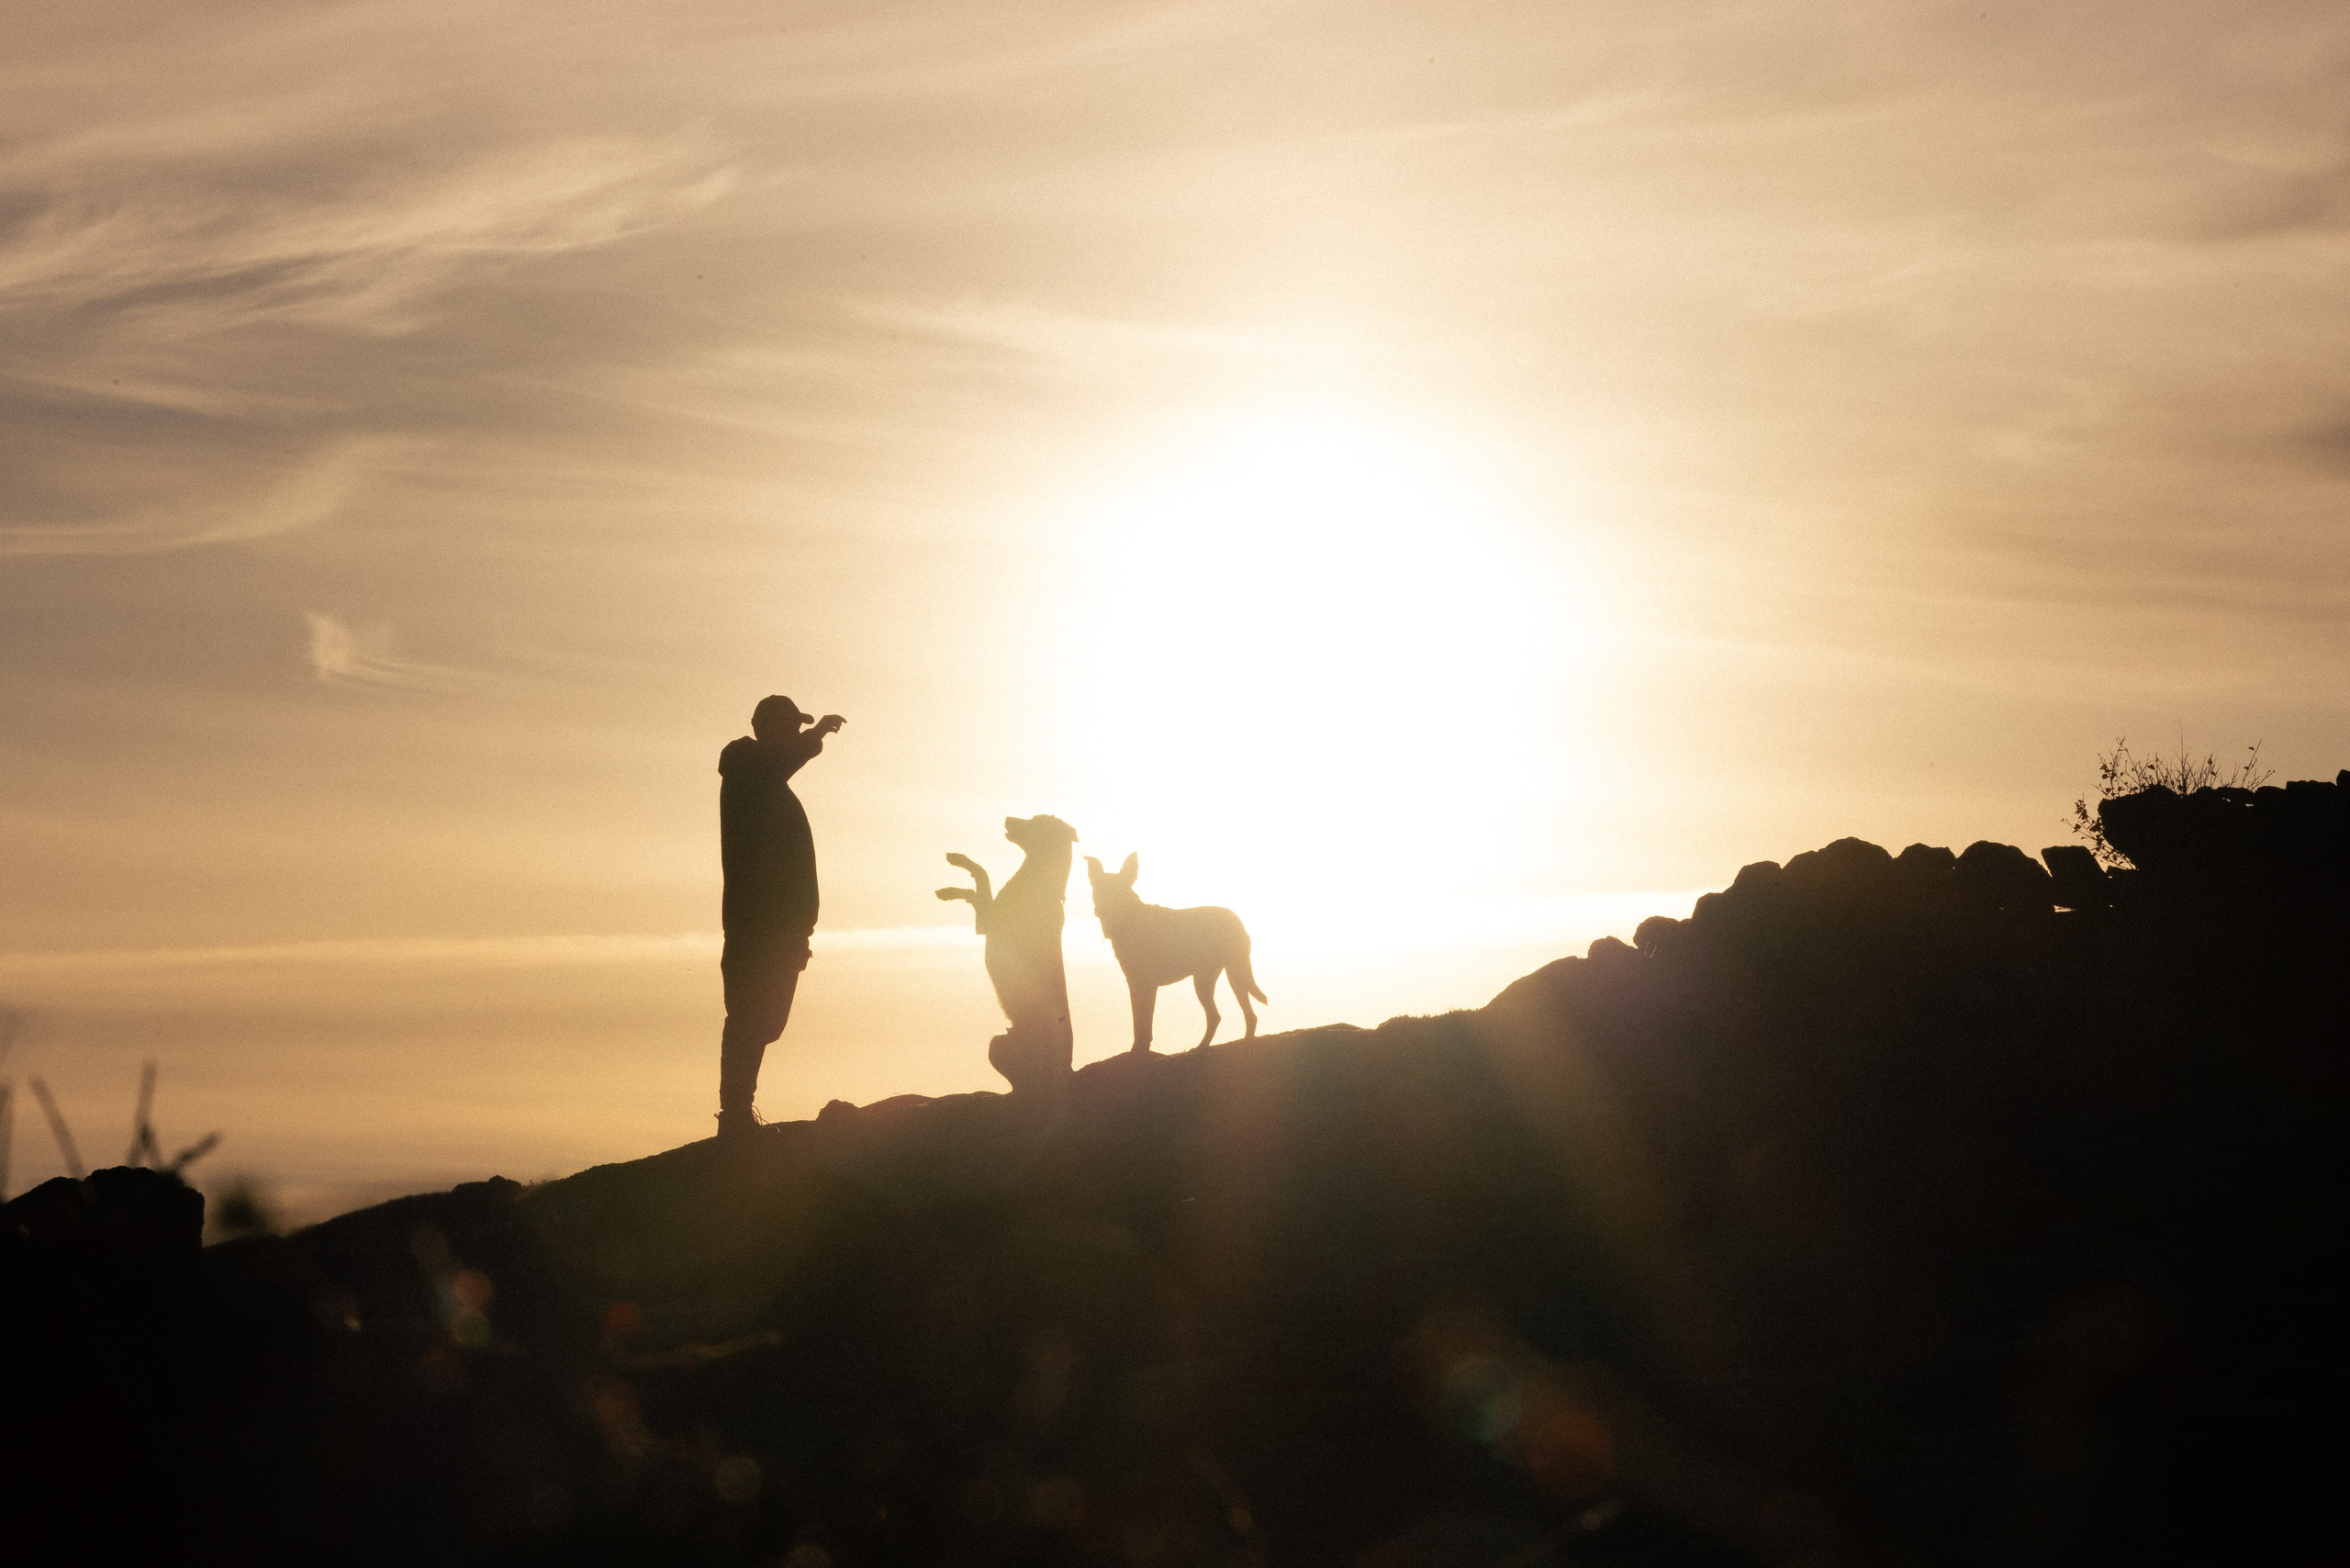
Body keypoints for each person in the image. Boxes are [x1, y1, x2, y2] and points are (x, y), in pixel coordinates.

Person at [715, 695, 845, 1139]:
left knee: (766, 1022)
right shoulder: (744, 764)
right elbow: (779, 760)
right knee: (750, 1017)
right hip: (757, 925)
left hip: (781, 928)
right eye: (789, 727)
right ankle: (734, 1114)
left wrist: (800, 931)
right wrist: (815, 736)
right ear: (765, 728)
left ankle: (736, 1111)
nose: (796, 734)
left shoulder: (765, 779)